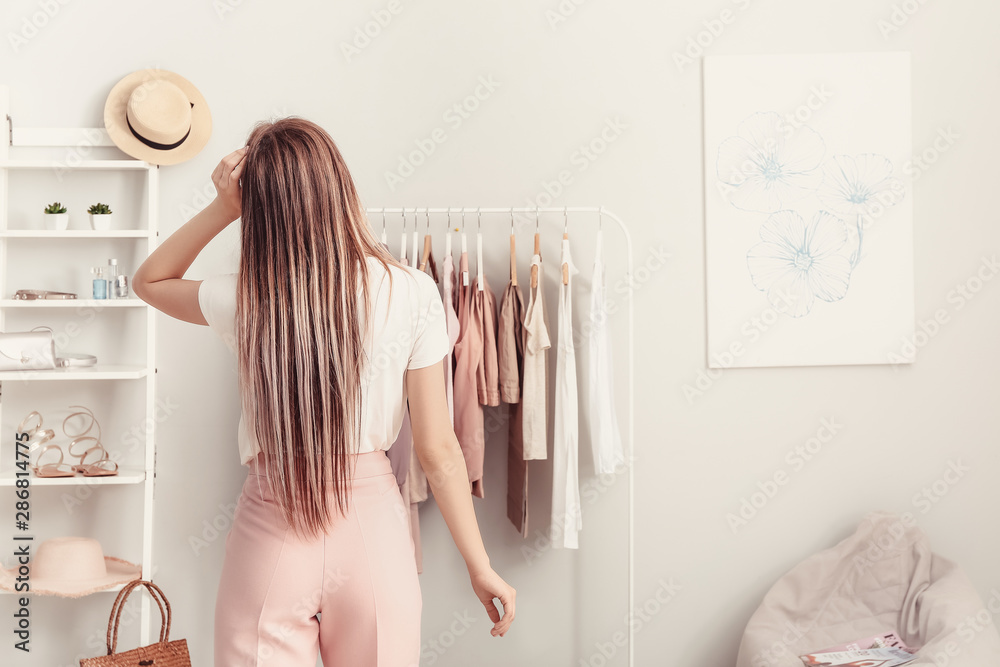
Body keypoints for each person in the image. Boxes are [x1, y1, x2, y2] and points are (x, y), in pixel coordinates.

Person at [133, 117, 515, 666]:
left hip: (272, 525)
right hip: (373, 530)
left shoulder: (249, 296)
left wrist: (223, 206)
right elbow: (438, 449)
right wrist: (479, 565)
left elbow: (151, 281)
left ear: (259, 207)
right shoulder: (411, 291)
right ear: (339, 184)